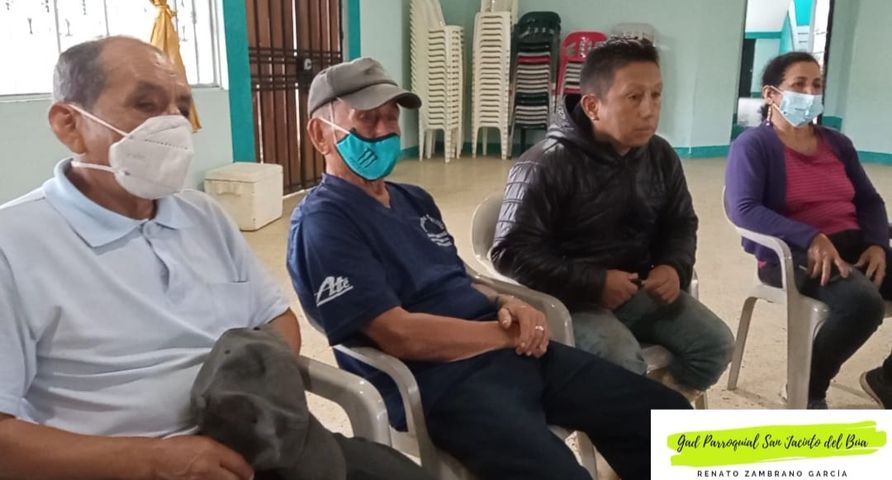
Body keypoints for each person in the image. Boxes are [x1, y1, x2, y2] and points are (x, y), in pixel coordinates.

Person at [0, 36, 432, 480]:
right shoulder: (14, 245)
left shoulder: (202, 215)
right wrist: (154, 461)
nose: (173, 124)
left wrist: (251, 394)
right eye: (146, 105)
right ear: (70, 124)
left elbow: (275, 318)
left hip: (258, 442)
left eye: (181, 107)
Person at [287, 56, 691, 480]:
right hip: (443, 382)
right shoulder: (325, 223)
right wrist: (503, 335)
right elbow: (399, 334)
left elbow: (458, 278)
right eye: (368, 119)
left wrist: (504, 301)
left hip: (513, 353)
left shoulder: (413, 200)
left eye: (391, 117)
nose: (385, 130)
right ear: (320, 134)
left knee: (670, 418)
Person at [490, 38, 734, 401]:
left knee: (715, 344)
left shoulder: (660, 156)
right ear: (593, 106)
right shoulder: (544, 165)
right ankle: (631, 419)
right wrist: (595, 282)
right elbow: (510, 253)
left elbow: (680, 222)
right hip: (569, 301)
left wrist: (673, 265)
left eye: (656, 95)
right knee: (622, 363)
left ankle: (656, 410)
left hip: (637, 291)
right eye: (634, 97)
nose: (649, 110)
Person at [725, 51, 891, 409]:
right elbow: (744, 208)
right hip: (791, 254)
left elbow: (869, 200)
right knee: (863, 304)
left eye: (816, 85)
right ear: (770, 94)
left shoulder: (837, 143)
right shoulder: (753, 145)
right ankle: (806, 390)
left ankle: (887, 379)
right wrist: (810, 237)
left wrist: (878, 243)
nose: (810, 93)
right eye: (799, 84)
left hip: (854, 243)